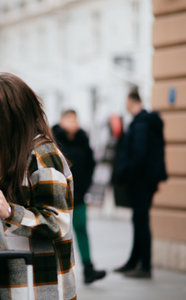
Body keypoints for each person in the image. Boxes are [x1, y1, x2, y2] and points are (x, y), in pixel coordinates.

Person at [0, 73, 76, 299]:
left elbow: (58, 221)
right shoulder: (10, 156)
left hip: (41, 288)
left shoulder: (42, 155)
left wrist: (9, 211)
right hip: (10, 284)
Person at [114, 87, 167, 278]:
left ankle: (144, 266)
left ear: (131, 102)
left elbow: (139, 153)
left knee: (141, 221)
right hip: (147, 180)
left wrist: (127, 174)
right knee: (139, 220)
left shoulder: (141, 124)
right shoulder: (144, 122)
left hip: (140, 181)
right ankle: (134, 262)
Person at [52, 110, 106, 284]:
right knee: (58, 232)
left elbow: (91, 165)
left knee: (81, 228)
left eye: (75, 120)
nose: (72, 123)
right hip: (58, 196)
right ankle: (58, 269)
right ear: (61, 121)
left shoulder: (83, 139)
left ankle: (88, 268)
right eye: (69, 119)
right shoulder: (54, 138)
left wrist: (85, 186)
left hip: (79, 194)